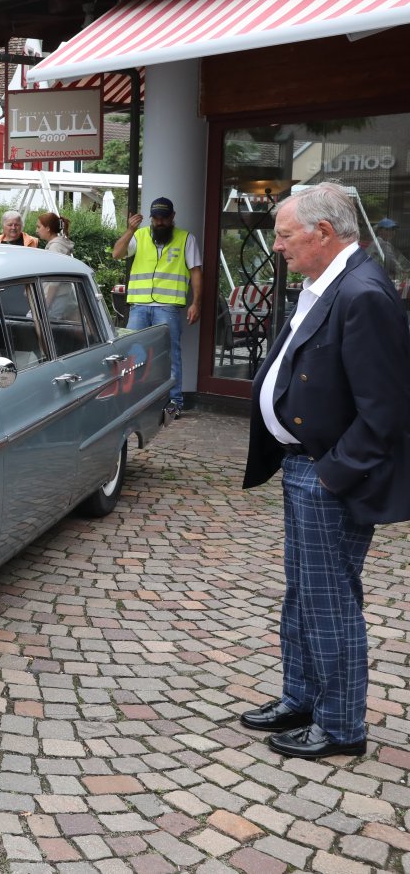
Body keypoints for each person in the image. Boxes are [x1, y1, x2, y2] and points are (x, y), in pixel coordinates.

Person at [239, 182, 410, 761]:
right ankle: (302, 697)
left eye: (285, 235)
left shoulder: (362, 293)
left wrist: (332, 474)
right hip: (306, 467)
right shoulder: (327, 284)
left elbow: (386, 410)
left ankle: (340, 726)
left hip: (328, 475)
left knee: (329, 600)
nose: (278, 245)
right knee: (303, 596)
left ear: (324, 232)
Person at [112, 196, 203, 415]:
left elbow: (196, 272)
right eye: (155, 218)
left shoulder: (186, 238)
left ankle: (175, 402)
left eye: (164, 217)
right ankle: (132, 400)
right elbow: (116, 254)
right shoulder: (139, 235)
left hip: (168, 306)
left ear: (172, 216)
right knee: (133, 354)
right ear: (150, 218)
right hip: (139, 305)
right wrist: (130, 230)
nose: (159, 221)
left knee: (170, 355)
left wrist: (196, 303)